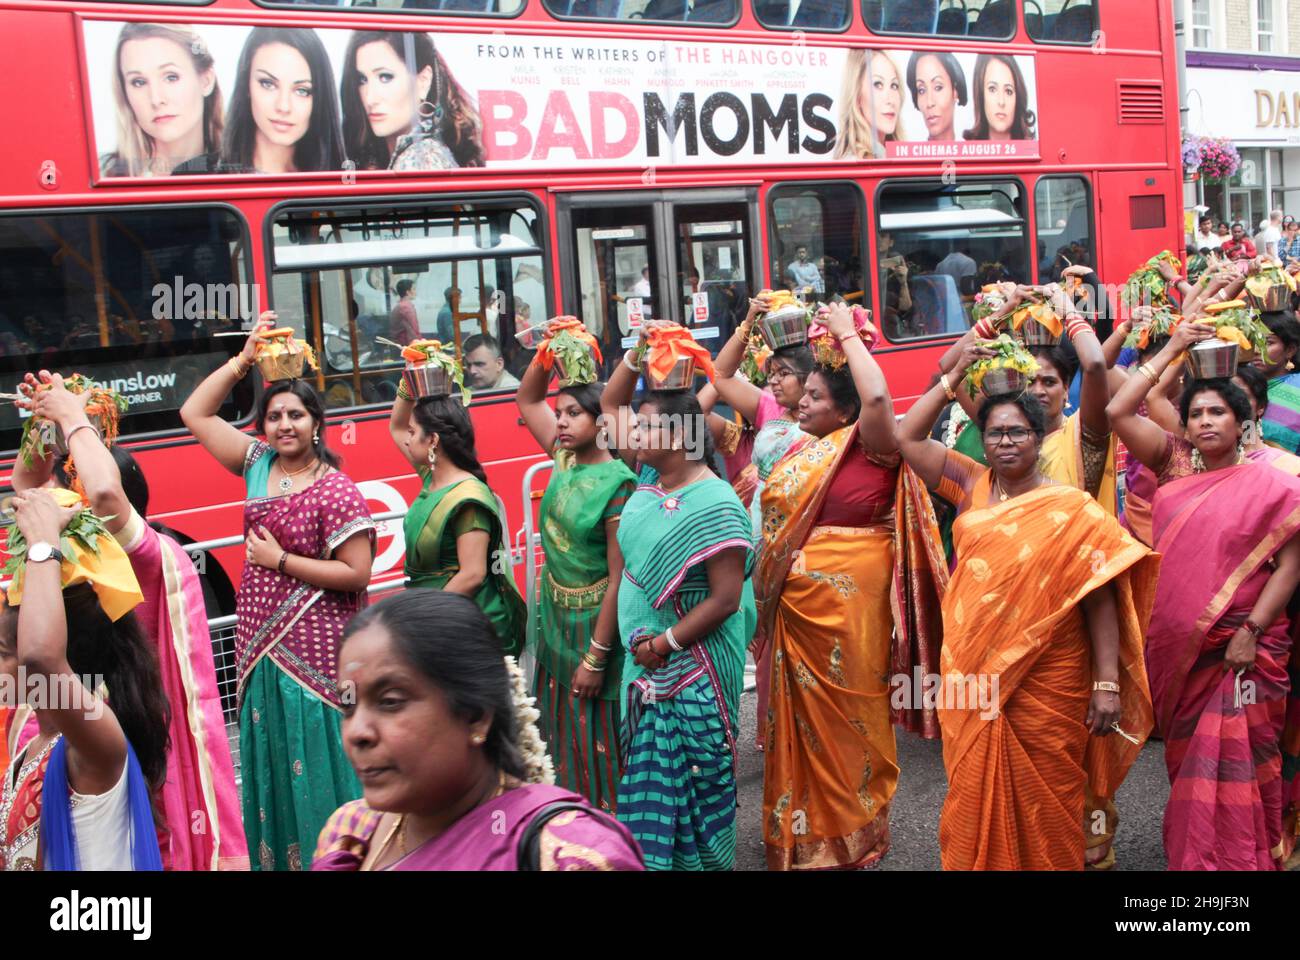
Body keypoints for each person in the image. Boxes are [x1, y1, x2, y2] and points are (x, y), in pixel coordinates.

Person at [899, 359, 1158, 871]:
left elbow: (1099, 597)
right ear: (982, 439)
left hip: (1051, 677)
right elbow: (907, 436)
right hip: (973, 673)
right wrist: (953, 377)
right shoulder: (969, 483)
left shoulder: (1072, 508)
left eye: (1018, 431)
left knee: (1049, 795)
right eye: (994, 433)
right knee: (973, 780)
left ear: (1039, 437)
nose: (1006, 442)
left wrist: (1107, 683)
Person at [13, 374, 247, 871]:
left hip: (121, 727)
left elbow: (103, 498)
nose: (55, 505)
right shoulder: (64, 551)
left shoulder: (138, 553)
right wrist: (45, 418)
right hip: (70, 716)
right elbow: (27, 486)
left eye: (65, 495)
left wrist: (75, 417)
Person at [181, 313, 375, 870]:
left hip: (316, 654)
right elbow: (194, 412)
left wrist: (280, 560)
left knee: (317, 758)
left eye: (295, 414)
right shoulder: (257, 464)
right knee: (270, 757)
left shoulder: (337, 489)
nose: (283, 424)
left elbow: (356, 574)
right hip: (260, 650)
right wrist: (242, 362)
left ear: (316, 423)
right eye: (273, 416)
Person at [1107, 321, 1300, 869]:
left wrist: (1250, 632)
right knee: (1191, 757)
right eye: (1196, 414)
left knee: (1242, 754)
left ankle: (1243, 857)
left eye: (1218, 412)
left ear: (1244, 422)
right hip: (1179, 647)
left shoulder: (1278, 484)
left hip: (1246, 649)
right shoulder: (1174, 462)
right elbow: (1120, 410)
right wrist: (1173, 346)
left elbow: (1291, 565)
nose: (1205, 421)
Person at [312, 591, 644, 870]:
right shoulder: (351, 831)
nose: (356, 732)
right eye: (349, 707)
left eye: (390, 702)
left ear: (475, 716)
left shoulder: (567, 853)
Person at [756, 304, 912, 870]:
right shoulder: (800, 452)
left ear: (844, 409)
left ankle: (851, 835)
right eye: (806, 394)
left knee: (849, 714)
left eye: (817, 396)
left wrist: (846, 336)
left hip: (851, 605)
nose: (802, 402)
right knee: (797, 721)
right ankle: (804, 838)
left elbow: (877, 399)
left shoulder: (871, 445)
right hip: (797, 608)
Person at [600, 330, 756, 870]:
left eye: (648, 424)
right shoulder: (651, 478)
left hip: (693, 669)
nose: (635, 429)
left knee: (698, 791)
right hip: (643, 667)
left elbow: (727, 599)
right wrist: (637, 354)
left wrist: (664, 643)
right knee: (650, 790)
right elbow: (609, 403)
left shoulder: (715, 502)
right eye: (637, 422)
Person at [0, 488, 168, 871]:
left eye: (3, 651)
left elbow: (41, 658)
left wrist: (44, 543)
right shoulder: (32, 747)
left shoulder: (97, 738)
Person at [515, 359, 635, 811]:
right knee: (556, 734)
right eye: (559, 413)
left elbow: (619, 576)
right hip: (555, 621)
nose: (561, 422)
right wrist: (545, 354)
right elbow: (527, 398)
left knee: (597, 740)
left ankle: (608, 837)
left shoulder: (619, 483)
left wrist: (597, 655)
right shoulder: (563, 457)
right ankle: (564, 828)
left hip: (595, 625)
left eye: (572, 414)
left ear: (601, 421)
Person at [710, 296, 812, 747]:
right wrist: (749, 321)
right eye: (772, 372)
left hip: (806, 536)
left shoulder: (828, 414)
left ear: (812, 378)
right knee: (768, 640)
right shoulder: (767, 407)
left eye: (785, 372)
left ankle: (812, 729)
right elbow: (720, 376)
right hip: (760, 536)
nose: (774, 379)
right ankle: (776, 732)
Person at [388, 383, 525, 656]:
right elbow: (396, 426)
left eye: (414, 433)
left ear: (433, 440)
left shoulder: (467, 498)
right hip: (433, 610)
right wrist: (409, 381)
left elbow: (472, 574)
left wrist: (424, 618)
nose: (407, 438)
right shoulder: (432, 477)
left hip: (462, 623)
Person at [340, 31, 483, 171]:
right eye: (362, 79)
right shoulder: (418, 152)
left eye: (385, 77)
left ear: (423, 81)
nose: (370, 99)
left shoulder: (419, 159)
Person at [100, 23, 223, 177]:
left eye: (171, 77)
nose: (156, 99)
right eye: (139, 82)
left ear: (206, 81)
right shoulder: (104, 174)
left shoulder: (244, 167)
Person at [220, 27, 344, 174]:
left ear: (320, 99)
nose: (283, 106)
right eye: (268, 84)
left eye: (302, 91)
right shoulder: (201, 173)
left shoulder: (341, 181)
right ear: (246, 85)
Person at [834, 49, 907, 160]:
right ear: (857, 96)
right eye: (878, 84)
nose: (890, 100)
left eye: (894, 85)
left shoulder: (892, 153)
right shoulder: (857, 160)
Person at [1255, 310, 1300, 454]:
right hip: (1248, 470)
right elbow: (1247, 443)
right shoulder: (1241, 388)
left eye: (1267, 342)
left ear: (1290, 350)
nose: (1256, 350)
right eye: (1252, 341)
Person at [963, 54, 1036, 142]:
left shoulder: (1031, 149)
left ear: (1018, 99)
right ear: (981, 95)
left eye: (1008, 91)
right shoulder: (968, 152)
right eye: (992, 89)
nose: (1001, 102)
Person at [907, 51, 967, 142]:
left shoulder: (976, 152)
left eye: (938, 87)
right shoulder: (908, 154)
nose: (929, 103)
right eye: (921, 90)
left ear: (955, 91)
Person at [389, 278, 420, 346]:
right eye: (414, 289)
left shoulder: (401, 305)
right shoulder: (406, 307)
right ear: (408, 292)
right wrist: (421, 346)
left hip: (398, 345)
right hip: (404, 346)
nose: (416, 292)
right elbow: (414, 329)